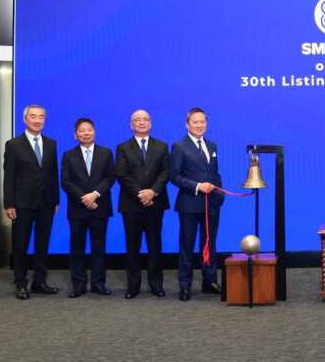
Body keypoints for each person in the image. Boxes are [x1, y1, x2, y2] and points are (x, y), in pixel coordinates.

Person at [3, 104, 60, 300]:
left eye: (41, 117)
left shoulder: (51, 143)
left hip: (47, 202)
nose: (37, 120)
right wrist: (9, 203)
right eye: (33, 116)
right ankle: (21, 283)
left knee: (42, 244)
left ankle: (39, 282)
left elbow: (53, 174)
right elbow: (9, 176)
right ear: (25, 119)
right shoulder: (13, 144)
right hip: (22, 203)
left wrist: (55, 199)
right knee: (21, 245)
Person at [169, 108, 225, 301]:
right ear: (187, 124)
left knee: (209, 243)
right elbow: (174, 176)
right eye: (195, 122)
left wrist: (219, 193)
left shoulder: (212, 145)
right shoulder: (179, 146)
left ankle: (210, 281)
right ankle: (185, 285)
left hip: (211, 204)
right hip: (189, 203)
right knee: (187, 245)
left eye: (202, 122)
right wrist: (197, 186)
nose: (199, 125)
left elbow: (215, 173)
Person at [115, 110, 170, 298]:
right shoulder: (123, 147)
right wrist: (141, 193)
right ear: (131, 124)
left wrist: (152, 192)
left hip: (156, 202)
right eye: (137, 120)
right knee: (132, 246)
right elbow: (121, 174)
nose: (141, 122)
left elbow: (165, 172)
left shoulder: (162, 146)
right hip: (132, 203)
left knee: (155, 245)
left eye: (145, 119)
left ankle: (156, 284)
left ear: (150, 123)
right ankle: (133, 286)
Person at [61, 118, 116, 297]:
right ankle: (79, 284)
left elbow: (110, 177)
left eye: (89, 129)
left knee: (99, 247)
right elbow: (66, 181)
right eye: (82, 130)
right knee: (77, 248)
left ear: (95, 132)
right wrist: (84, 199)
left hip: (100, 206)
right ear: (75, 135)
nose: (86, 133)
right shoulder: (68, 155)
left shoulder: (106, 153)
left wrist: (95, 195)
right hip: (77, 208)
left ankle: (98, 283)